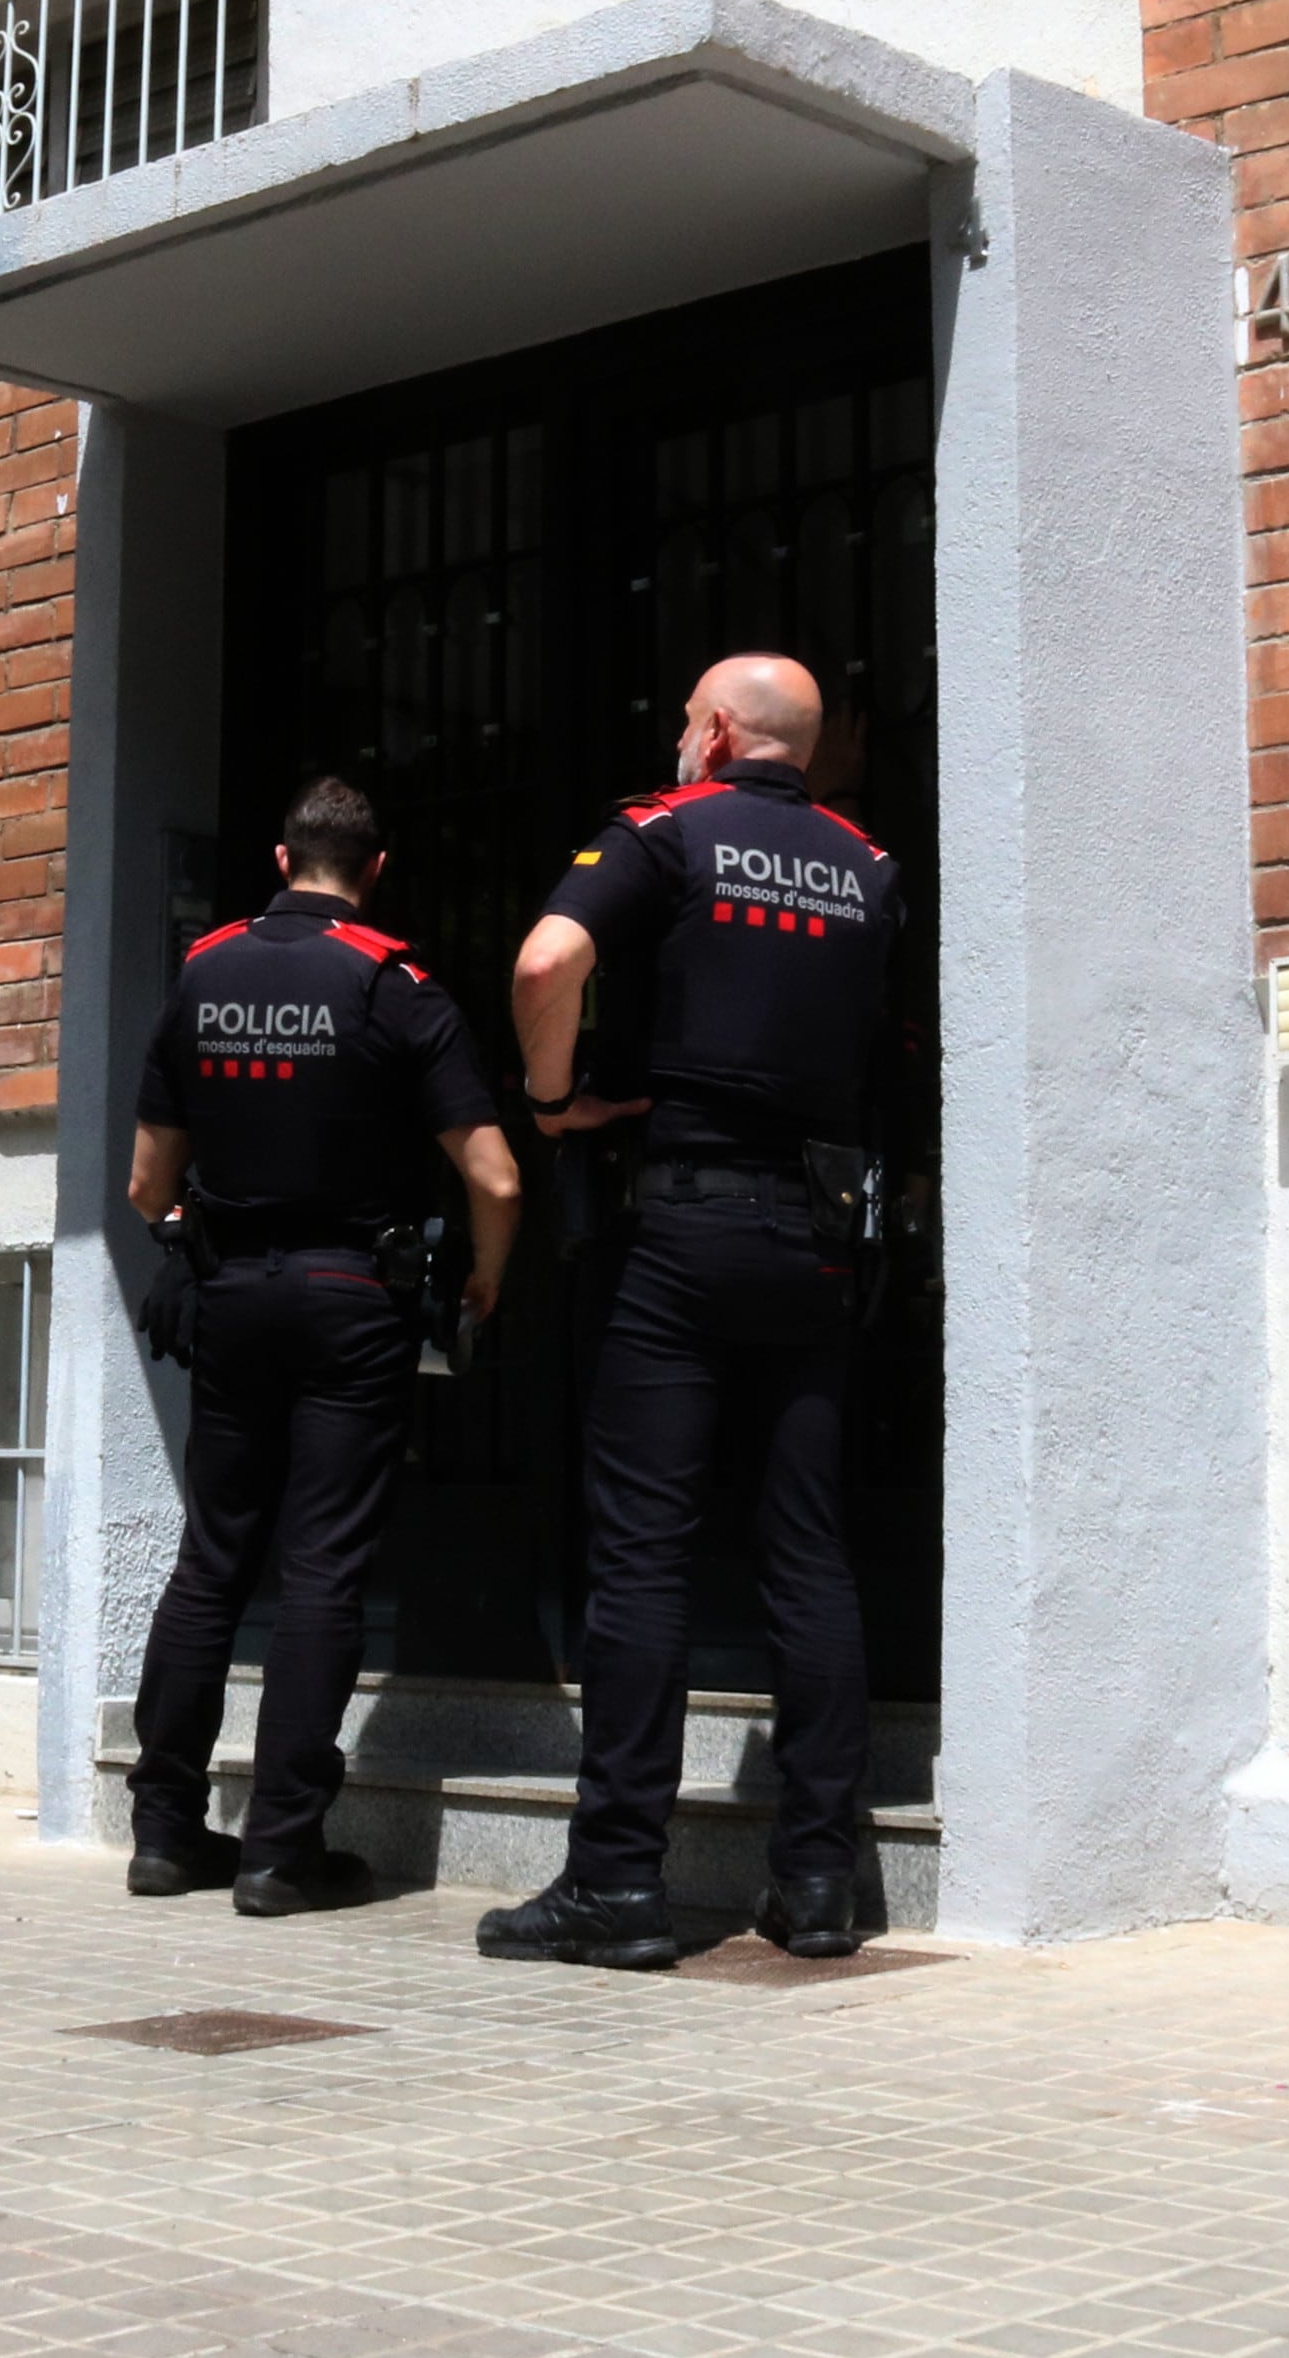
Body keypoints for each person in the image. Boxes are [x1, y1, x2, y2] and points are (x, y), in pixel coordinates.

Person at [478, 652, 903, 1972]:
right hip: (822, 1234)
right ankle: (822, 1880)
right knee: (806, 1549)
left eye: (684, 720)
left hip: (687, 1228)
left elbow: (548, 961)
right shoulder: (869, 866)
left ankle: (617, 1884)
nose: (678, 738)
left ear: (717, 732)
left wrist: (551, 1104)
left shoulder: (666, 830)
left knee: (645, 1551)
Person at [126, 775, 524, 1916]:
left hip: (233, 1295)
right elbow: (493, 1173)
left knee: (213, 1560)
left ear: (279, 856)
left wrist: (191, 1243)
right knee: (323, 1569)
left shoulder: (203, 972)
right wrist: (485, 1279)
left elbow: (149, 1181)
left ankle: (165, 1830)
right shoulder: (394, 984)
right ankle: (280, 1849)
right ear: (377, 870)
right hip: (353, 1295)